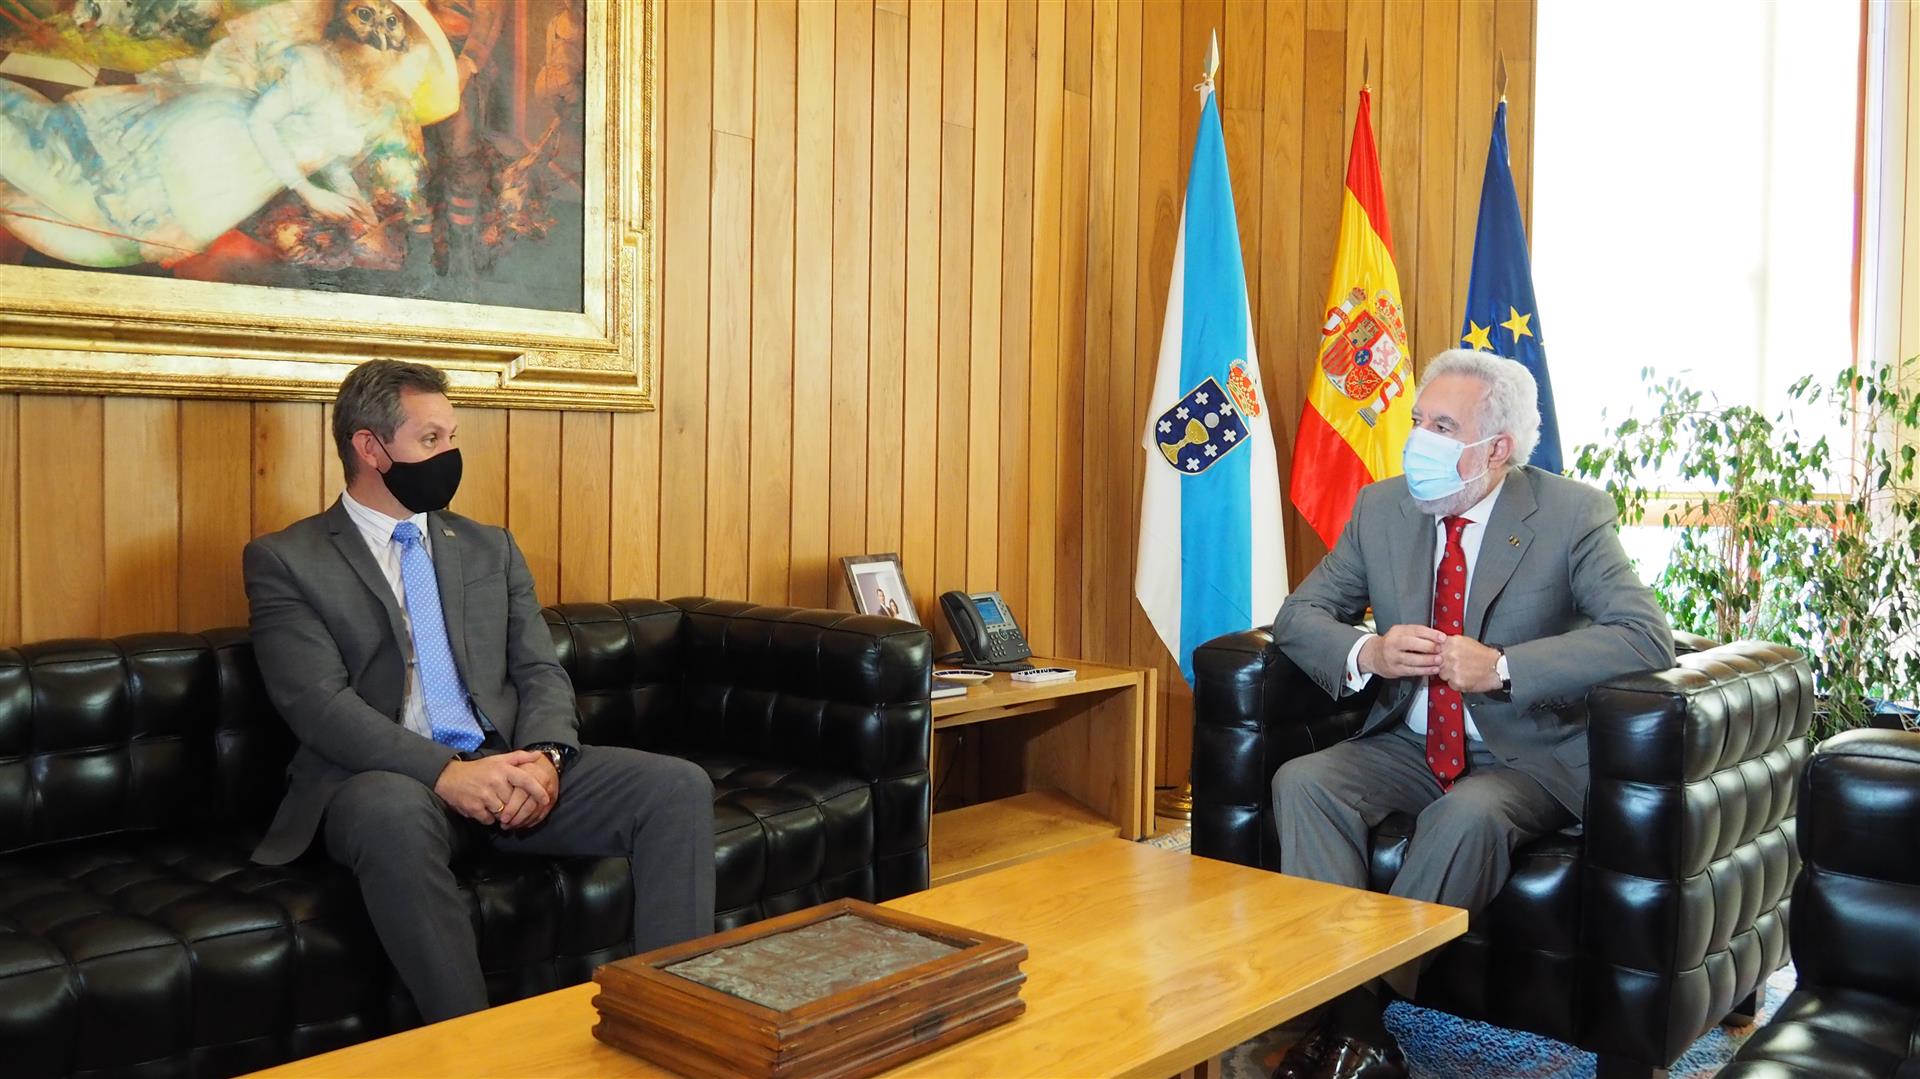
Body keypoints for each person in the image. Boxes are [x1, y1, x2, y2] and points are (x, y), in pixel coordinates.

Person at [244, 359, 714, 1022]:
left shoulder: (489, 547)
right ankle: (470, 1047)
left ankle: (678, 1024)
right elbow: (319, 706)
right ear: (370, 448)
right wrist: (446, 774)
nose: (450, 454)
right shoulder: (288, 560)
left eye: (453, 436)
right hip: (384, 779)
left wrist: (547, 757)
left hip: (504, 766)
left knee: (676, 787)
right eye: (431, 439)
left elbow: (538, 670)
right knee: (391, 811)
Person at [1268, 350, 1674, 1079]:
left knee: (1467, 816)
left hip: (1525, 753)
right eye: (1418, 421)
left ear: (1496, 450)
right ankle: (1351, 1018)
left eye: (1442, 426)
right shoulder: (1383, 507)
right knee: (1305, 780)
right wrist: (1370, 650)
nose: (1417, 440)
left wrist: (1506, 667)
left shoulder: (1570, 512)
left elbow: (1645, 633)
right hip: (1409, 740)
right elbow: (1298, 615)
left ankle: (1353, 1022)